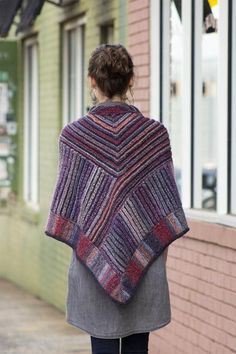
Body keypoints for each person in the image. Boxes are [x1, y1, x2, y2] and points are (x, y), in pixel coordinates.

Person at [44, 44, 189, 354]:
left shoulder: (74, 136)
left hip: (93, 264)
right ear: (130, 81)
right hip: (145, 262)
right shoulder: (153, 135)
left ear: (91, 81)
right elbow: (165, 210)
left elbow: (69, 208)